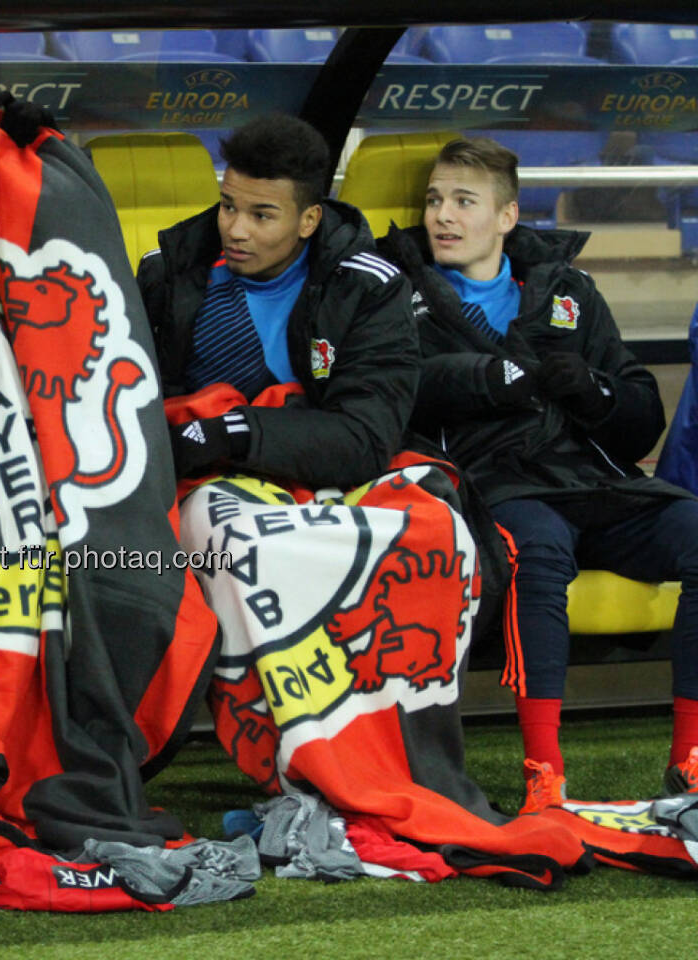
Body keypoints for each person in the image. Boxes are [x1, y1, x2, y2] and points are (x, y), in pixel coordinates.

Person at [377, 136, 698, 812]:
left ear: (507, 217)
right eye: (435, 200)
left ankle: (690, 760)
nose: (442, 216)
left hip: (590, 481)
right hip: (495, 483)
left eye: (464, 202)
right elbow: (395, 388)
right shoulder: (396, 290)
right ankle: (543, 775)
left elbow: (641, 414)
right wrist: (491, 378)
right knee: (539, 551)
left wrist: (592, 391)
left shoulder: (566, 289)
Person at [139, 114, 419, 490]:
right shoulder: (167, 273)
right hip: (190, 482)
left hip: (318, 486)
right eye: (228, 206)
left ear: (309, 220)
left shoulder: (367, 289)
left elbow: (365, 439)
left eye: (262, 216)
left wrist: (229, 433)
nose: (236, 231)